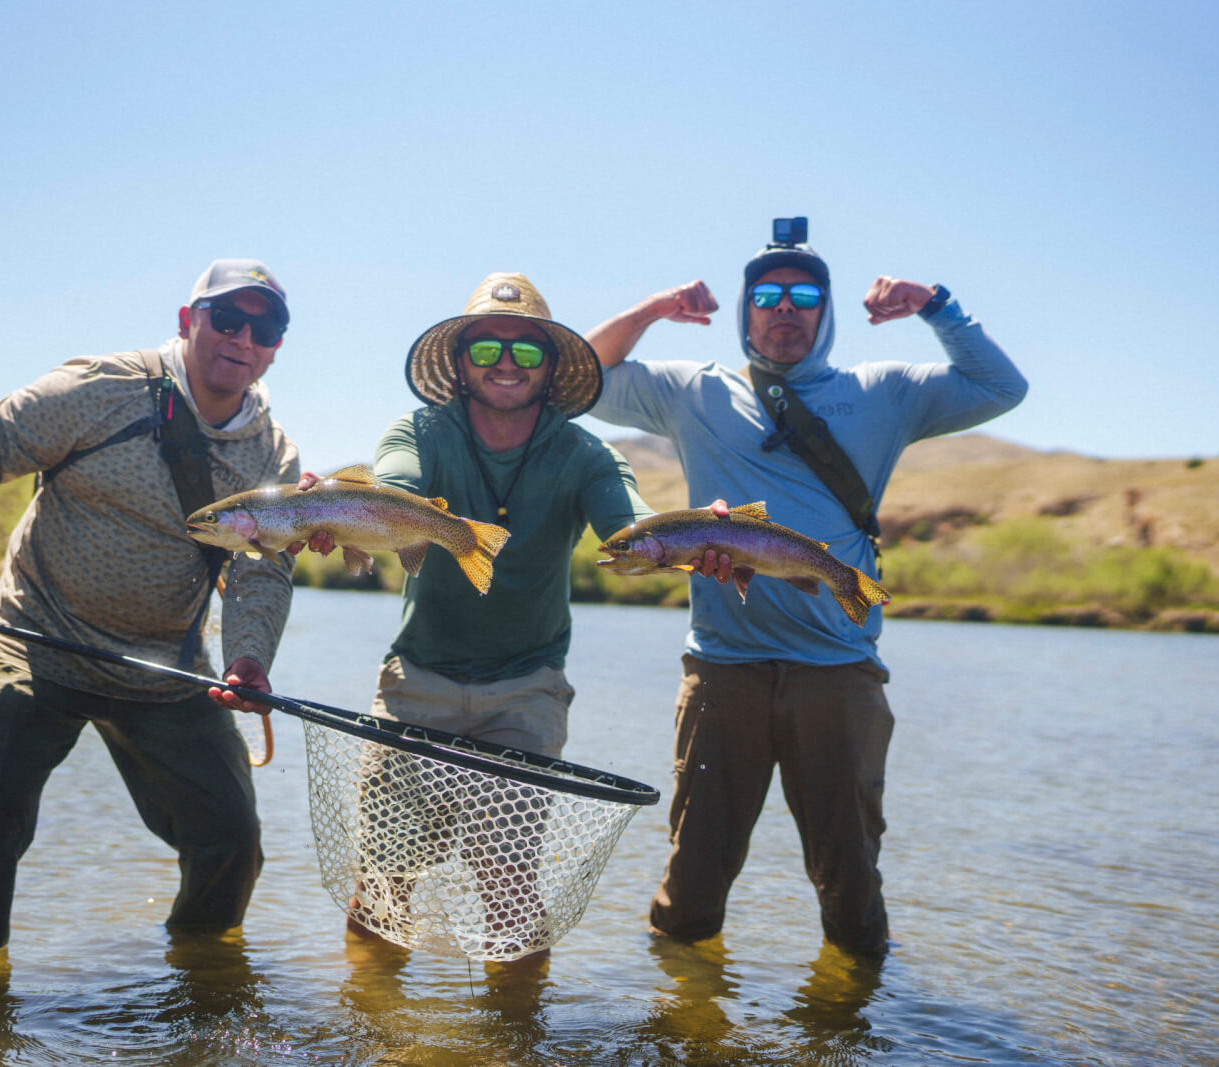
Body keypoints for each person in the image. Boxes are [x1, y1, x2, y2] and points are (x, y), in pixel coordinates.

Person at [583, 221, 1028, 955]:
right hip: (723, 670)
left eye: (802, 295)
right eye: (766, 295)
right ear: (744, 309)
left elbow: (1002, 386)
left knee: (850, 890)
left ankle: (847, 1021)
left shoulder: (882, 391)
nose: (783, 308)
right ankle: (687, 1025)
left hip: (839, 675)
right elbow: (582, 378)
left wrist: (935, 304)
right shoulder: (692, 392)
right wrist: (652, 310)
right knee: (691, 891)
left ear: (824, 314)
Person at [0, 258, 302, 957]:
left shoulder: (273, 458)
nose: (243, 338)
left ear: (278, 345)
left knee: (231, 838)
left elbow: (264, 570)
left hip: (166, 667)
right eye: (226, 318)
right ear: (186, 322)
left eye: (266, 327)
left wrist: (248, 659)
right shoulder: (99, 389)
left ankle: (200, 984)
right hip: (34, 641)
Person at [296, 272, 652, 955]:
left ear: (551, 368)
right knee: (382, 888)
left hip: (526, 690)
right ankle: (371, 1041)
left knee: (508, 887)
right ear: (461, 364)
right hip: (417, 685)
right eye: (487, 349)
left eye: (526, 351)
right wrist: (340, 511)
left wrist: (699, 535)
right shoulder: (420, 430)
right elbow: (395, 484)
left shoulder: (585, 453)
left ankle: (517, 1045)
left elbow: (629, 525)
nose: (507, 365)